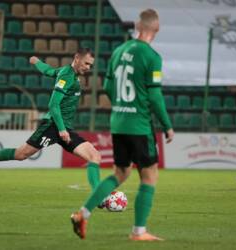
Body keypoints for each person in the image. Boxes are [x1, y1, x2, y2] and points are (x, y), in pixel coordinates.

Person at [70, 9, 174, 241]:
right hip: (139, 124)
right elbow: (155, 97)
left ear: (138, 26)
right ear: (155, 29)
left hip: (118, 122)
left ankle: (82, 214)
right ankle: (139, 231)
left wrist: (122, 105)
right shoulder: (152, 56)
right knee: (149, 176)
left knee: (121, 172)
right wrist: (167, 125)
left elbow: (108, 86)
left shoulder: (118, 51)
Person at [0, 48, 102, 192]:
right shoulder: (67, 75)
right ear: (77, 58)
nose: (88, 68)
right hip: (53, 126)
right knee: (21, 154)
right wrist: (61, 129)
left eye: (91, 65)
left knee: (94, 156)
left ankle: (98, 195)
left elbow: (48, 71)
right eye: (86, 63)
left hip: (65, 128)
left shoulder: (67, 73)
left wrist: (37, 62)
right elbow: (53, 105)